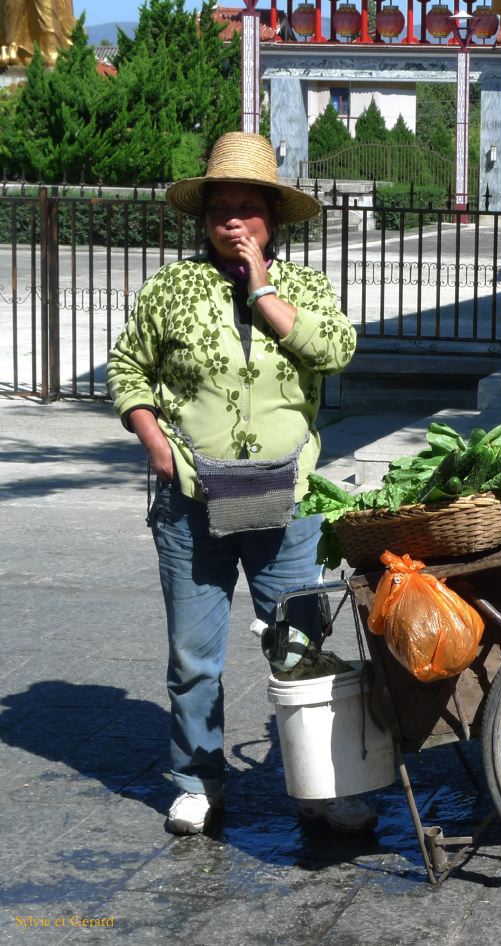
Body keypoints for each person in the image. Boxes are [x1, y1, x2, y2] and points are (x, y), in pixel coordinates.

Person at [106, 132, 369, 837]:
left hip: (286, 499)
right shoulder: (171, 288)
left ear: (273, 220)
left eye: (248, 209)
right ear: (204, 220)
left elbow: (333, 350)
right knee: (194, 657)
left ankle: (324, 790)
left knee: (302, 650)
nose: (233, 221)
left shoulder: (306, 287)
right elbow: (127, 369)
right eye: (221, 209)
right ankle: (197, 782)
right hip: (191, 496)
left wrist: (264, 288)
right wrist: (154, 440)